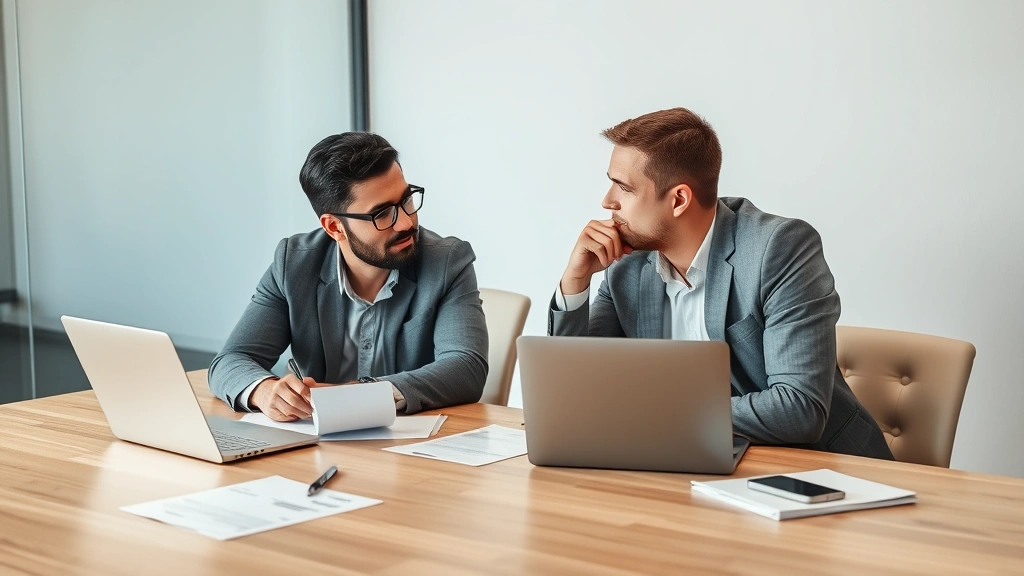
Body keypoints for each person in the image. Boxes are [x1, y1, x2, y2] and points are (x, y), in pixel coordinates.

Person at [550, 107, 893, 459]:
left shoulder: (779, 248)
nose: (607, 201)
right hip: (689, 462)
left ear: (679, 199)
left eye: (623, 187)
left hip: (819, 471)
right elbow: (575, 393)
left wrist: (659, 416)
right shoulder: (628, 263)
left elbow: (799, 407)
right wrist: (575, 282)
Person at [209, 132, 488, 421]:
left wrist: (366, 396)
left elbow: (466, 367)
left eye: (406, 200)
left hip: (409, 450)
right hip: (313, 448)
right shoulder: (293, 263)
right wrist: (265, 391)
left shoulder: (447, 261)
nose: (406, 222)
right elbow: (230, 360)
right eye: (382, 214)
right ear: (334, 227)